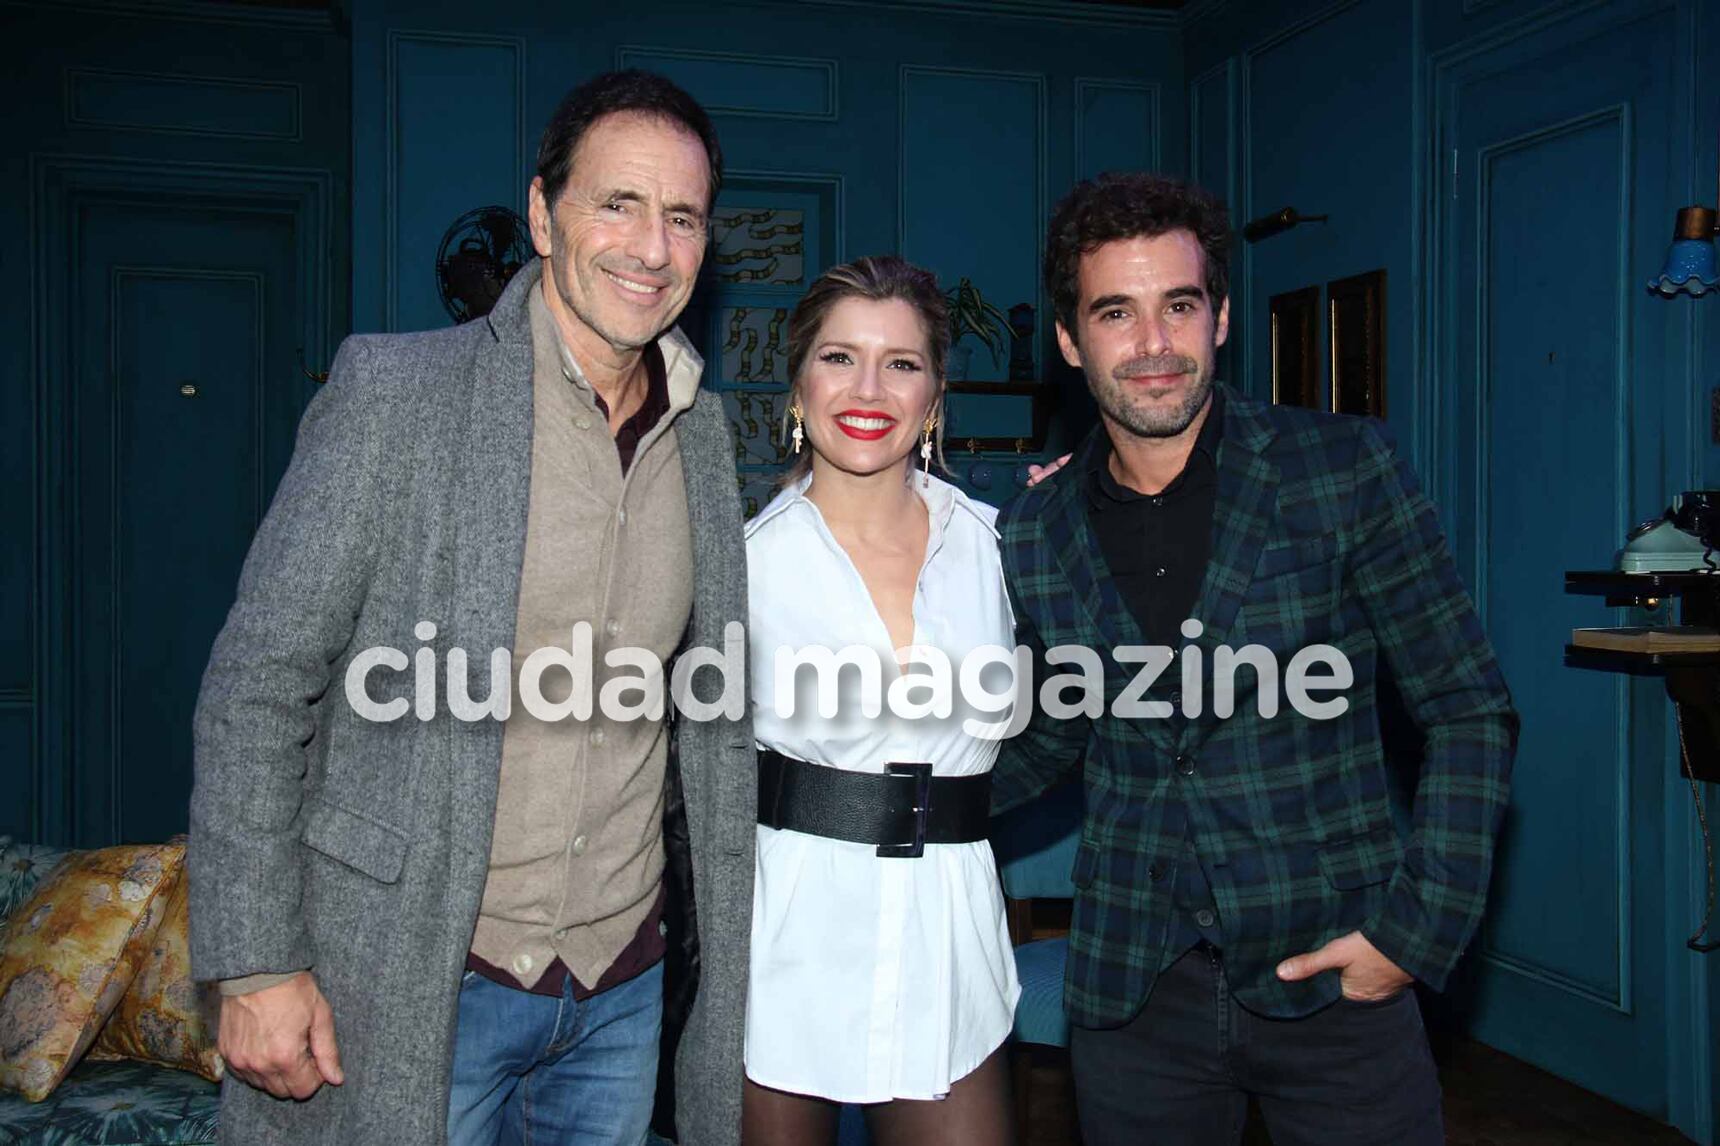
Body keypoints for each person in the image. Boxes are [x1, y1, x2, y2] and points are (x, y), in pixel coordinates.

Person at [188, 70, 755, 1146]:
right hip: (416, 976)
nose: (650, 245)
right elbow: (260, 681)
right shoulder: (398, 397)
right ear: (544, 216)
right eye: (616, 203)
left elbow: (712, 723)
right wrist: (256, 957)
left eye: (681, 217)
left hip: (621, 994)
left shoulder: (708, 444)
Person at [991, 172, 1519, 1145]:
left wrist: (1415, 934)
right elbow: (1053, 730)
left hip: (1337, 976)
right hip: (1134, 990)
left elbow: (1467, 711)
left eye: (1177, 306)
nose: (1152, 344)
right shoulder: (1034, 529)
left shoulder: (1343, 469)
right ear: (1070, 340)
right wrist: (890, 797)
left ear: (1219, 318)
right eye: (1116, 312)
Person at [739, 256, 1021, 1146]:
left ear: (936, 393)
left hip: (945, 944)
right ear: (798, 384)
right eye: (838, 358)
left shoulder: (1003, 547)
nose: (869, 388)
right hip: (783, 938)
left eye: (901, 362)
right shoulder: (736, 562)